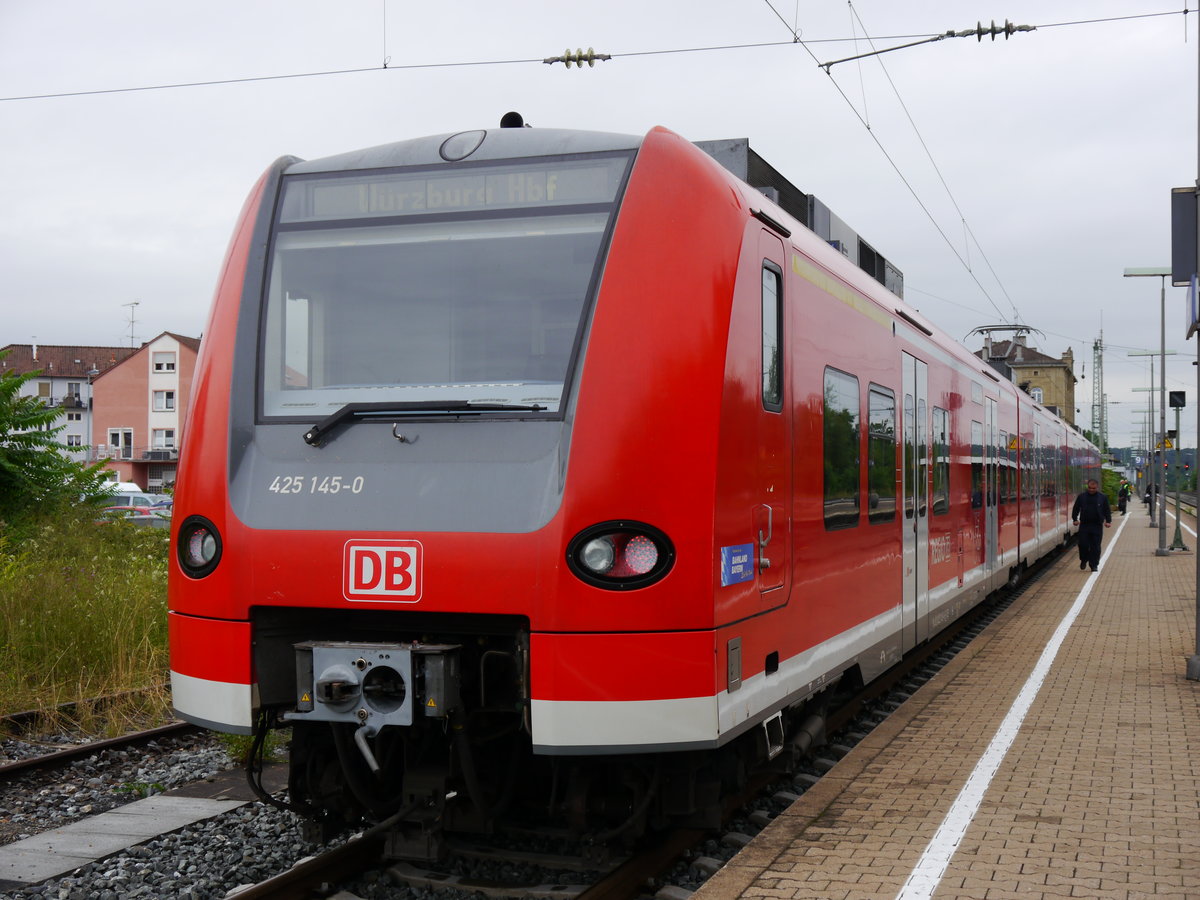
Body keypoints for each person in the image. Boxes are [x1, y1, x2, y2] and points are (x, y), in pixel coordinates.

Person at [1072, 479, 1112, 573]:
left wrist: (1108, 521)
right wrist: (1075, 519)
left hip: (1097, 525)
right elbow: (1076, 508)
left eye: (1093, 488)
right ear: (1087, 487)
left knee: (1096, 546)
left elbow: (1107, 509)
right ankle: (1084, 559)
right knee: (1083, 544)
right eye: (1089, 488)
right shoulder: (1082, 497)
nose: (1091, 490)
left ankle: (1094, 565)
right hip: (1084, 525)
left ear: (1097, 487)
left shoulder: (1102, 497)